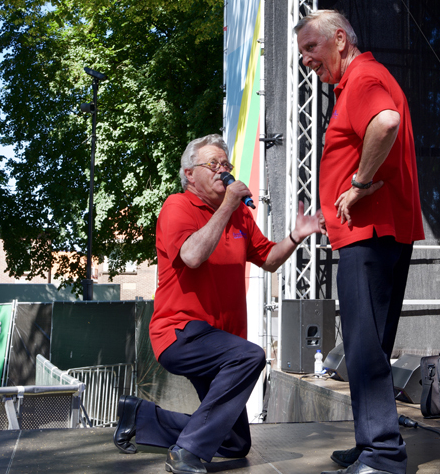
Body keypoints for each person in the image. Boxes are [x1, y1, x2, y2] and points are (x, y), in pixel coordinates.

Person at [112, 134, 325, 474]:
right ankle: (186, 452)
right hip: (181, 332)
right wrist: (227, 205)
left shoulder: (239, 215)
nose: (222, 170)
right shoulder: (177, 206)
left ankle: (139, 416)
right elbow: (192, 256)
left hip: (221, 342)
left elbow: (269, 259)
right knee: (251, 355)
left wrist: (296, 236)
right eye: (212, 164)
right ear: (189, 174)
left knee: (234, 443)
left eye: (225, 164)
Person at [295, 10, 424, 474]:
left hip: (368, 234)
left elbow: (385, 122)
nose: (306, 59)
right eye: (302, 52)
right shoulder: (361, 79)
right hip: (378, 232)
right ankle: (373, 440)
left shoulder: (364, 77)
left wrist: (359, 183)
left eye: (311, 47)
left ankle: (382, 453)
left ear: (340, 39)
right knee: (372, 346)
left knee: (364, 346)